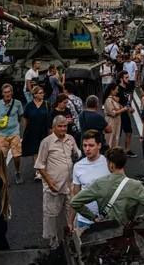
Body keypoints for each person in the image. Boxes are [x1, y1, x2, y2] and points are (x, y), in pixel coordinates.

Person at [71, 147, 144, 226]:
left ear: (111, 165)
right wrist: (138, 220)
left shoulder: (99, 183)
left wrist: (93, 217)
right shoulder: (136, 186)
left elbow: (75, 202)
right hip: (125, 230)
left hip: (105, 230)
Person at [35, 115, 81, 249]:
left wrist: (76, 154)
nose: (63, 129)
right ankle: (53, 244)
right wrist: (50, 183)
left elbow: (77, 154)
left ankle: (72, 241)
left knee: (71, 215)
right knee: (52, 217)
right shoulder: (46, 142)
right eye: (60, 126)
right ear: (53, 128)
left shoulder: (70, 138)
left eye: (65, 126)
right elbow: (40, 165)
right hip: (53, 187)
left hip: (70, 186)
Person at [70, 130, 110, 235]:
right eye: (84, 145)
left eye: (91, 145)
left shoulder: (109, 164)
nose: (87, 149)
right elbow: (76, 196)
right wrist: (70, 221)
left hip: (107, 219)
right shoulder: (78, 166)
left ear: (99, 145)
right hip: (84, 220)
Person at [0, 83, 24, 184]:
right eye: (5, 92)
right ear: (2, 93)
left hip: (14, 132)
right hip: (1, 133)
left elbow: (20, 117)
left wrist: (16, 127)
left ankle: (17, 172)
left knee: (17, 156)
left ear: (12, 92)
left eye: (9, 92)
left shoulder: (18, 103)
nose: (8, 94)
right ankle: (3, 176)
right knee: (1, 157)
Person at [21, 86, 51, 181]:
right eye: (40, 93)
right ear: (34, 95)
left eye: (42, 92)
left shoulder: (47, 104)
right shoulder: (29, 106)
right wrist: (25, 131)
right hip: (32, 131)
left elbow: (51, 118)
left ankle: (45, 169)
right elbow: (25, 119)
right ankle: (38, 172)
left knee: (45, 151)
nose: (42, 94)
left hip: (44, 131)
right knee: (35, 152)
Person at [116, 70, 137, 157]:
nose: (128, 79)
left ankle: (127, 150)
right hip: (119, 114)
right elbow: (116, 102)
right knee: (118, 133)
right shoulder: (117, 89)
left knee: (129, 132)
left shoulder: (128, 87)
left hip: (126, 113)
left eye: (128, 77)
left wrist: (130, 107)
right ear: (121, 79)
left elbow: (128, 99)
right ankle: (115, 151)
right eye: (126, 77)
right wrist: (126, 108)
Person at [103, 83, 126, 149]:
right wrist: (124, 109)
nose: (117, 91)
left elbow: (119, 107)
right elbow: (113, 113)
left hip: (116, 121)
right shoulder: (108, 100)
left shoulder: (113, 99)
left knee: (115, 138)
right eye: (116, 89)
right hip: (111, 121)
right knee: (110, 138)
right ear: (111, 90)